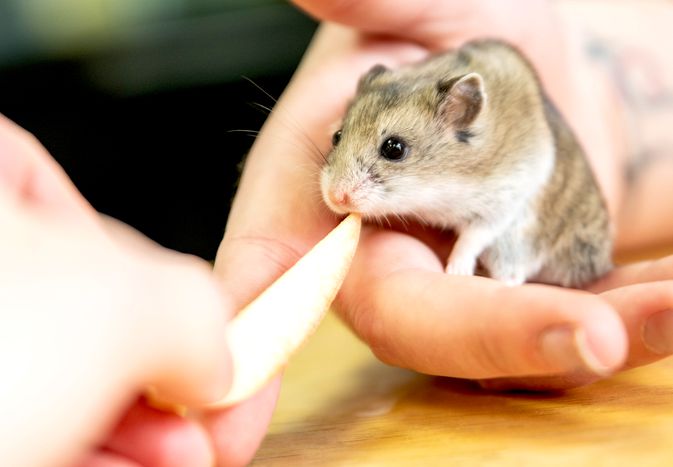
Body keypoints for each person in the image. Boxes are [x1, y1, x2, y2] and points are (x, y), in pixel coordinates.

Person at [3, 0, 673, 466]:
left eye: (390, 152)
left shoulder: (495, 146)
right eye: (337, 145)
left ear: (461, 117)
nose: (339, 188)